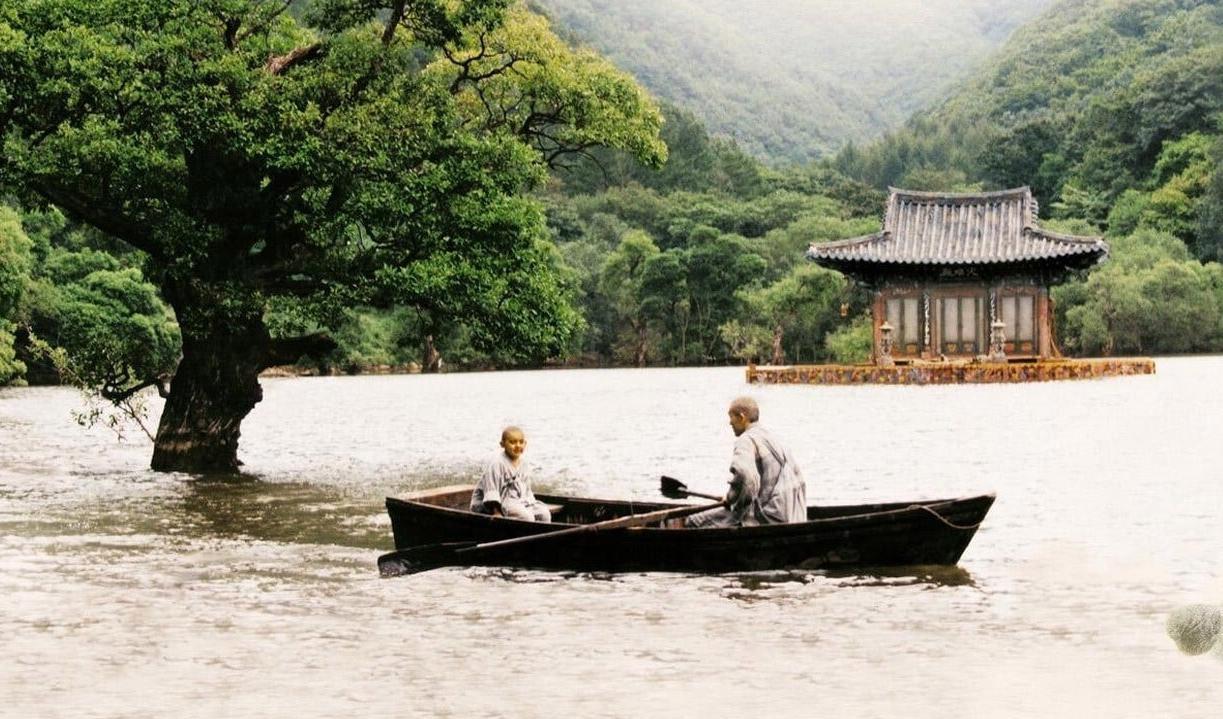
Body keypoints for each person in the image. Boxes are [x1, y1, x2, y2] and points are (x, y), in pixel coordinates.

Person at [686, 396, 807, 528]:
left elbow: (746, 478)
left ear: (742, 417)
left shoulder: (745, 440)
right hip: (792, 515)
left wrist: (733, 501)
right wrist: (731, 498)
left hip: (768, 518)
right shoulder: (771, 437)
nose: (729, 423)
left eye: (731, 417)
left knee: (692, 521)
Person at [470, 426, 551, 522]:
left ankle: (541, 534)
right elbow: (491, 490)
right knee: (526, 517)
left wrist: (530, 503)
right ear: (502, 444)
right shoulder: (497, 463)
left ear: (525, 444)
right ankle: (522, 533)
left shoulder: (524, 464)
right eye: (512, 442)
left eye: (521, 442)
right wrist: (496, 512)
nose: (518, 446)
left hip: (519, 500)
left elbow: (526, 489)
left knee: (544, 513)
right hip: (500, 501)